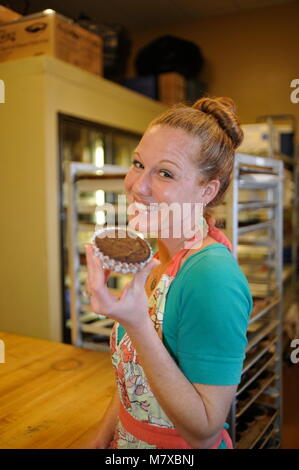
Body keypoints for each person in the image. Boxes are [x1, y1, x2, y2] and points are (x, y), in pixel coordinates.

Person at [85, 97, 253, 449]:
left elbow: (204, 431)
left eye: (165, 173)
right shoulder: (154, 258)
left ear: (207, 190)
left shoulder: (211, 278)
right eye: (138, 163)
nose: (137, 185)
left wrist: (136, 322)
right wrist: (100, 441)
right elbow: (137, 382)